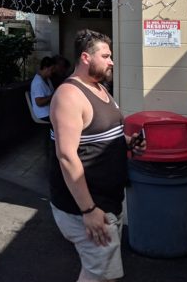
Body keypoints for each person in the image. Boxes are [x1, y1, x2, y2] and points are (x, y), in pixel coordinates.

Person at [49, 29, 144, 282]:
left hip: (108, 201)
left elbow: (99, 134)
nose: (111, 61)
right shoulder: (69, 96)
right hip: (87, 207)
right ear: (86, 57)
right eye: (106, 56)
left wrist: (126, 143)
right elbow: (67, 156)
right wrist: (88, 209)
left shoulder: (99, 88)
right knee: (101, 277)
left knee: (101, 274)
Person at [30, 56, 56, 121]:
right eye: (51, 69)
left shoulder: (47, 79)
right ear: (45, 68)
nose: (53, 71)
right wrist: (52, 96)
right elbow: (39, 102)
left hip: (50, 111)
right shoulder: (38, 83)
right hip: (44, 114)